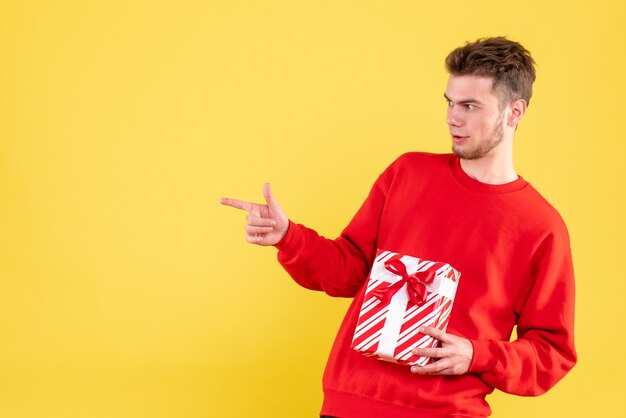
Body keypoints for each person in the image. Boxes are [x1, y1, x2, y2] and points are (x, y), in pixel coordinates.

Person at [220, 37, 576, 418]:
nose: (452, 117)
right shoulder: (407, 173)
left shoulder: (541, 226)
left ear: (514, 112)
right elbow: (349, 271)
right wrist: (289, 237)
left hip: (444, 410)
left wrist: (477, 354)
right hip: (348, 402)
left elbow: (552, 352)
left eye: (470, 106)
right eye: (450, 103)